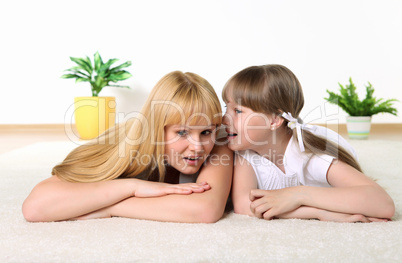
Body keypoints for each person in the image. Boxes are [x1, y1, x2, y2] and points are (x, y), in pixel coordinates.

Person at [22, 71, 233, 223]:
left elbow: (206, 209)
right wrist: (132, 187)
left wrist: (112, 206)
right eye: (182, 132)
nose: (197, 147)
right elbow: (34, 207)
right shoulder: (126, 146)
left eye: (206, 132)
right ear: (156, 129)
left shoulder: (220, 143)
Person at [222, 64, 395, 222]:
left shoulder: (311, 156)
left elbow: (383, 204)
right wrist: (318, 212)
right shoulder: (245, 151)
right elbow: (244, 206)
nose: (224, 119)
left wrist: (299, 195)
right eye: (226, 108)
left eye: (237, 111)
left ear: (274, 120)